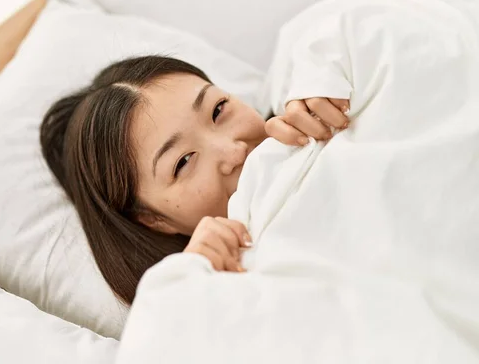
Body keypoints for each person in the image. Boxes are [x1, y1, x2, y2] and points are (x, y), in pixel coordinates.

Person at [40, 55, 350, 305]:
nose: (235, 152)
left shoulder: (320, 98)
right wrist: (190, 295)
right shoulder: (198, 307)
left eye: (218, 110)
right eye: (183, 162)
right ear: (152, 218)